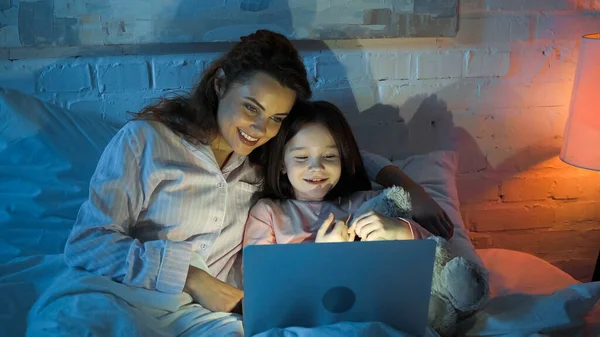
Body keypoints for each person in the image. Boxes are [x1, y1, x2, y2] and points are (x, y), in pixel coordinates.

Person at [27, 30, 452, 337]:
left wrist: (410, 189)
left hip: (209, 316)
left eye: (277, 119)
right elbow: (86, 242)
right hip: (120, 293)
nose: (260, 128)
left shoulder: (264, 159)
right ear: (219, 84)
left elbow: (346, 159)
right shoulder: (146, 143)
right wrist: (192, 277)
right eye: (251, 108)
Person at [243, 100, 433, 248]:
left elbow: (438, 254)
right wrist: (324, 254)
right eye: (301, 157)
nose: (316, 167)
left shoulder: (371, 203)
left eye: (329, 156)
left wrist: (401, 231)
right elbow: (258, 281)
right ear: (282, 164)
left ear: (342, 159)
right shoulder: (269, 213)